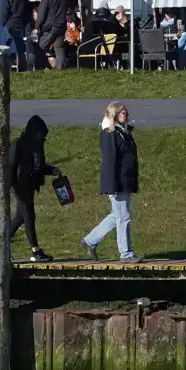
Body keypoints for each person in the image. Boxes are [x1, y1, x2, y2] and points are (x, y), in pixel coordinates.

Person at [82, 102, 139, 261]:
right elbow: (109, 162)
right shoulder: (110, 134)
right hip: (117, 182)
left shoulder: (123, 132)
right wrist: (111, 186)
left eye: (127, 113)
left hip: (124, 180)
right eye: (124, 113)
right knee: (123, 217)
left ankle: (89, 241)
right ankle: (126, 254)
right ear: (115, 115)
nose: (127, 116)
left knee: (117, 215)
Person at [6, 113, 54, 262]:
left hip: (29, 185)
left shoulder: (37, 146)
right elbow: (11, 167)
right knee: (28, 215)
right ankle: (35, 250)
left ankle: (1, 245)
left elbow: (38, 166)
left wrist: (52, 170)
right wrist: (12, 185)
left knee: (20, 217)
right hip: (20, 186)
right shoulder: (18, 145)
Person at [2, 0, 35, 70]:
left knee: (3, 48)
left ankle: (3, 68)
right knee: (20, 50)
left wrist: (4, 23)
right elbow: (27, 13)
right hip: (20, 26)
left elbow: (5, 12)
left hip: (9, 25)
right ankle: (22, 69)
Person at [38, 0, 71, 69]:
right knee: (59, 48)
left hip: (49, 28)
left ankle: (44, 67)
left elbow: (41, 15)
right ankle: (61, 68)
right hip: (61, 27)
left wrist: (37, 27)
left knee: (40, 47)